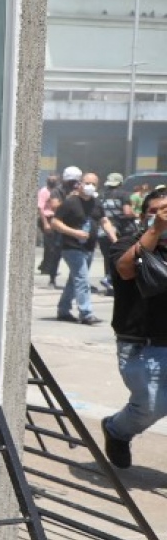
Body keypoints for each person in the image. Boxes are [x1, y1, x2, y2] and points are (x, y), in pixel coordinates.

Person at [101, 184, 167, 470]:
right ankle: (117, 430)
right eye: (155, 212)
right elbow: (126, 270)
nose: (162, 216)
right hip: (141, 345)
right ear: (143, 217)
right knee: (151, 406)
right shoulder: (125, 245)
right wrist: (156, 230)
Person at [50, 170, 111, 325]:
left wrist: (115, 239)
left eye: (93, 184)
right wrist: (74, 232)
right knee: (82, 279)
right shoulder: (70, 202)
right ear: (80, 184)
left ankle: (63, 310)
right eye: (87, 183)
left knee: (74, 280)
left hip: (89, 248)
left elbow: (104, 221)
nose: (90, 186)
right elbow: (55, 222)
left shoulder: (96, 203)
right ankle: (86, 313)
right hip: (71, 247)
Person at [38, 176, 63, 288]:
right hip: (47, 219)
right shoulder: (44, 192)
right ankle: (46, 267)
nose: (53, 181)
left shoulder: (57, 192)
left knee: (53, 246)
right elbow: (40, 208)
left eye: (55, 180)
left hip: (55, 219)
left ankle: (46, 266)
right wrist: (45, 223)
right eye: (51, 180)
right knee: (50, 246)